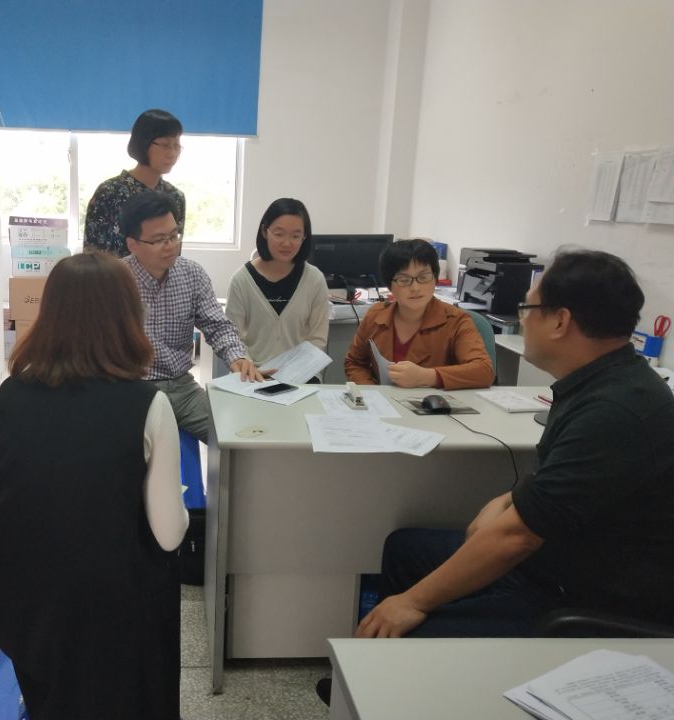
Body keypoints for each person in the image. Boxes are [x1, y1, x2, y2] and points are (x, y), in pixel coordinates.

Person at [316, 249, 674, 704]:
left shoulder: (615, 411)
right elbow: (553, 484)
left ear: (560, 321)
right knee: (405, 548)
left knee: (415, 626)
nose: (522, 320)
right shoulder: (598, 383)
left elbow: (517, 538)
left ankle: (392, 679)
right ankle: (371, 673)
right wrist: (507, 500)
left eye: (527, 308)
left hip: (579, 590)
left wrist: (412, 602)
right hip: (557, 554)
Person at [0, 252, 189, 719]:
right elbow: (169, 534)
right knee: (158, 561)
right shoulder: (147, 404)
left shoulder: (8, 395)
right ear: (128, 316)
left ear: (51, 313)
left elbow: (33, 493)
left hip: (15, 592)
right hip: (103, 599)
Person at [121, 190, 264, 442]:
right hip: (132, 390)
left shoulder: (192, 274)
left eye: (174, 235)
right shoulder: (114, 281)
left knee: (238, 437)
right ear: (133, 244)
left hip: (182, 389)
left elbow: (217, 326)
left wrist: (237, 356)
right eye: (159, 240)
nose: (171, 245)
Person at [344, 238, 494, 389]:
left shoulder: (456, 320)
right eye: (404, 280)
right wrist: (371, 391)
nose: (415, 288)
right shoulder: (376, 315)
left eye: (423, 277)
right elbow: (355, 362)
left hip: (434, 401)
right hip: (383, 401)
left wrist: (428, 377)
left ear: (435, 278)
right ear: (390, 285)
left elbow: (484, 371)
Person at [226, 198, 329, 376]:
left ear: (304, 238)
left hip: (301, 376)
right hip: (253, 375)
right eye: (279, 234)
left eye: (295, 236)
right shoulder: (241, 280)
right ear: (265, 232)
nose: (287, 243)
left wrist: (295, 373)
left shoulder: (314, 280)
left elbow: (317, 340)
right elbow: (232, 337)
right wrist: (249, 368)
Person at [84, 109, 186, 257]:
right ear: (143, 144)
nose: (172, 153)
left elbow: (174, 256)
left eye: (176, 146)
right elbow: (92, 257)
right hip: (114, 272)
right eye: (165, 145)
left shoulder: (175, 197)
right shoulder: (109, 193)